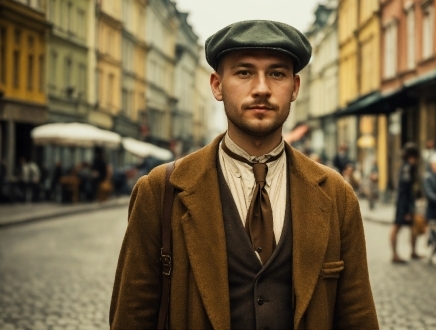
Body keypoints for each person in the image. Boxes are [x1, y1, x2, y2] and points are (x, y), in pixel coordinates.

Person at [110, 20, 378, 329]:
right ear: (217, 85)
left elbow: (357, 315)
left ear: (295, 87)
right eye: (244, 72)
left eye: (277, 73)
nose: (262, 89)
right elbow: (132, 315)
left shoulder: (335, 194)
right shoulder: (161, 189)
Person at [390, 143, 422, 263]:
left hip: (406, 202)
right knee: (396, 226)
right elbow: (404, 191)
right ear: (413, 156)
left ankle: (413, 252)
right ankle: (394, 255)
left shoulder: (407, 167)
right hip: (403, 203)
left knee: (414, 226)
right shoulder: (407, 169)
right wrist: (407, 210)